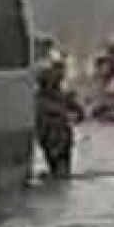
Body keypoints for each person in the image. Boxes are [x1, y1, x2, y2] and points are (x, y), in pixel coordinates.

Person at [32, 36, 74, 178]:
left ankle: (58, 173)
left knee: (59, 161)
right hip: (50, 123)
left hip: (55, 126)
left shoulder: (50, 61)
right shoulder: (40, 99)